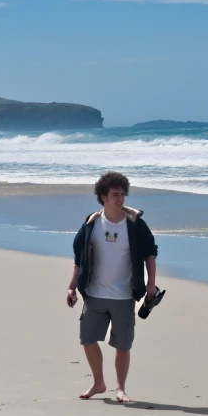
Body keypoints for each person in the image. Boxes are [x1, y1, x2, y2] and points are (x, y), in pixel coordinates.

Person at [67, 171, 158, 403]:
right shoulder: (92, 224)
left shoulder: (135, 224)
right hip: (94, 293)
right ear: (103, 197)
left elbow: (150, 254)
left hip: (124, 295)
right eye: (115, 195)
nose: (120, 199)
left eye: (123, 195)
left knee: (122, 345)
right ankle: (98, 382)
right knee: (87, 339)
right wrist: (71, 285)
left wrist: (150, 284)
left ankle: (120, 388)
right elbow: (79, 256)